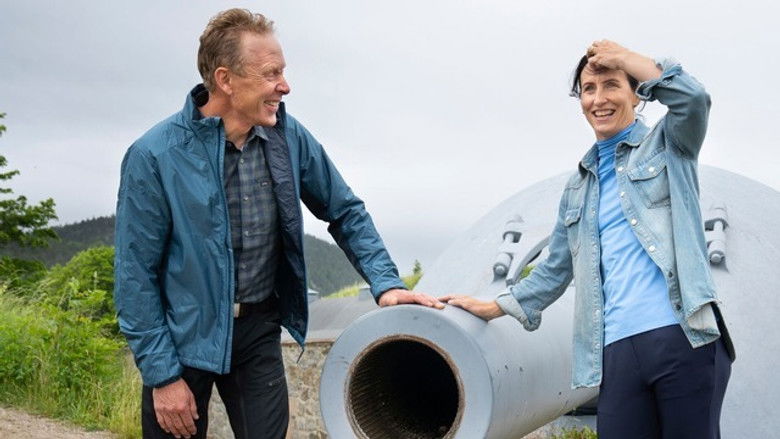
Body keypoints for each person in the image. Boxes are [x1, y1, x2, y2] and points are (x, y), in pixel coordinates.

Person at [113, 8, 442, 439]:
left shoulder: (289, 136)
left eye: (282, 72)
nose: (284, 86)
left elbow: (344, 210)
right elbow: (134, 275)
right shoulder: (155, 155)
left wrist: (386, 282)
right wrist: (162, 375)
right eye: (271, 74)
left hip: (257, 330)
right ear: (226, 79)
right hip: (181, 336)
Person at [440, 40, 734, 439]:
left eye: (612, 85)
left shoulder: (669, 145)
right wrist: (496, 306)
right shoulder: (578, 188)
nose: (599, 99)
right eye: (588, 89)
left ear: (637, 94)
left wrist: (625, 58)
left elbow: (692, 98)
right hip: (615, 351)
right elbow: (555, 269)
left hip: (682, 337)